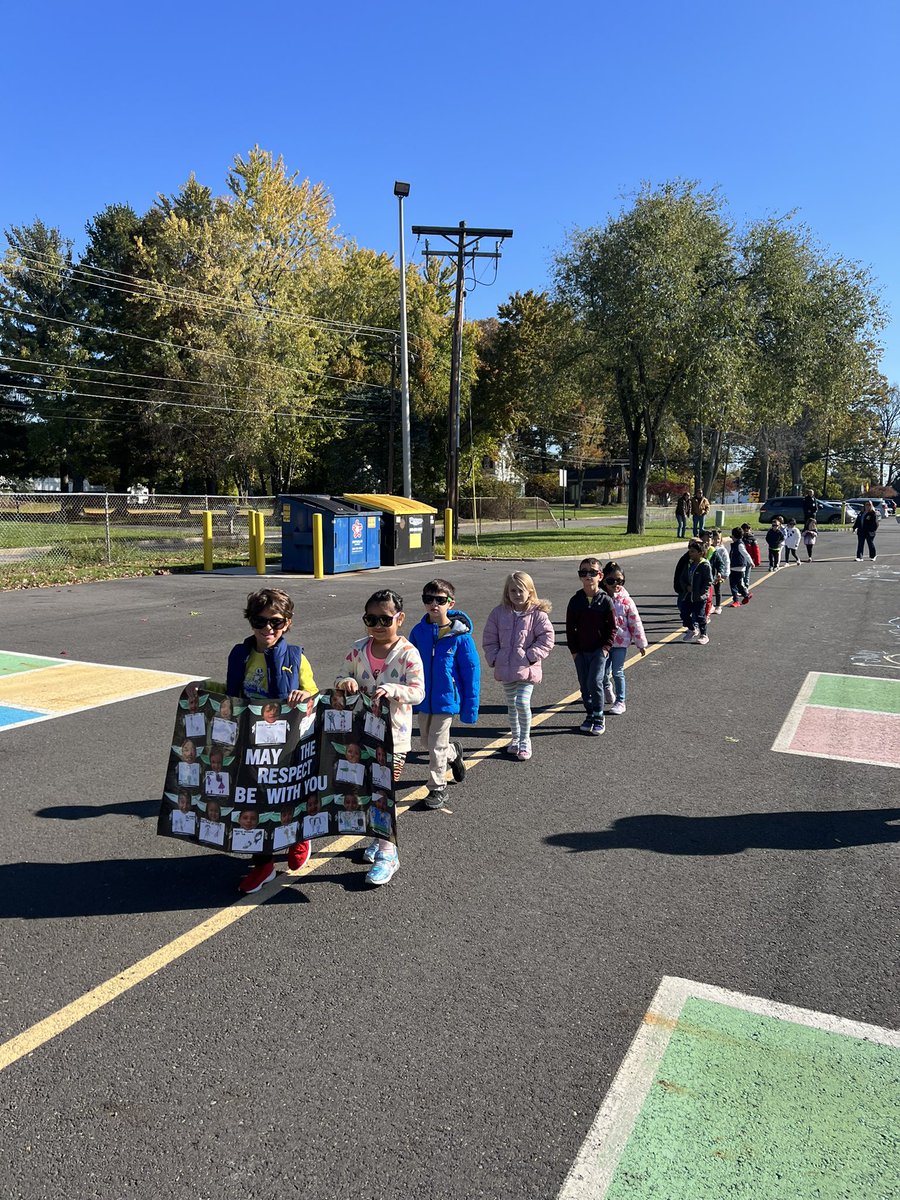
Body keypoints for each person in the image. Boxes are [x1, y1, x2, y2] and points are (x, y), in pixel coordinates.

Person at [224, 587, 317, 894]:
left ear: (287, 623)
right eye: (259, 621)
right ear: (250, 621)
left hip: (287, 744)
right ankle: (262, 863)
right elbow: (230, 693)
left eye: (275, 622)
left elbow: (314, 695)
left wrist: (306, 695)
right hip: (251, 743)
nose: (267, 629)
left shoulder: (295, 656)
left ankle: (299, 836)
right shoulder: (241, 655)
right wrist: (201, 687)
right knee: (254, 801)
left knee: (288, 796)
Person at [335, 588, 425, 884]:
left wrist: (394, 690)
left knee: (384, 793)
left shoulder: (408, 653)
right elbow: (340, 676)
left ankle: (389, 852)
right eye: (370, 619)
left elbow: (418, 691)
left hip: (393, 738)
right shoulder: (358, 648)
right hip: (361, 734)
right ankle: (377, 838)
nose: (377, 625)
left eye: (384, 619)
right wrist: (346, 681)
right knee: (366, 792)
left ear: (400, 618)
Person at [408, 578, 481, 811]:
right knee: (427, 741)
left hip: (447, 699)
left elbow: (471, 672)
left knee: (436, 744)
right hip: (423, 698)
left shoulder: (460, 636)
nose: (433, 604)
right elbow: (408, 664)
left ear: (451, 603)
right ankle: (454, 752)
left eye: (440, 600)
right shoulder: (418, 632)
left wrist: (470, 706)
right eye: (428, 599)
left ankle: (438, 787)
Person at [482, 570, 555, 760]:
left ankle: (525, 740)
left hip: (527, 668)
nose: (517, 595)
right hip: (505, 668)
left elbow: (547, 638)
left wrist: (531, 656)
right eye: (513, 591)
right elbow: (489, 639)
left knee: (521, 702)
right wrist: (495, 657)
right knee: (511, 705)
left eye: (521, 590)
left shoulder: (537, 615)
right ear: (507, 592)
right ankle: (515, 739)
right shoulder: (498, 613)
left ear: (530, 591)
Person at [566, 557, 616, 733]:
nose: (588, 575)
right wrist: (574, 651)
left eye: (592, 572)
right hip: (580, 651)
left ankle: (599, 715)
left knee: (595, 682)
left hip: (598, 651)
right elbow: (570, 629)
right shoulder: (575, 601)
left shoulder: (606, 601)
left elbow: (612, 628)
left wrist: (605, 649)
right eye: (583, 572)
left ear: (600, 576)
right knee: (584, 685)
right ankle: (589, 714)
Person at [599, 562, 647, 715]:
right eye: (611, 581)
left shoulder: (626, 601)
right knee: (602, 672)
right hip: (603, 643)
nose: (616, 585)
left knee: (618, 671)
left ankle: (621, 700)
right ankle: (607, 687)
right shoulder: (599, 599)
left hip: (620, 643)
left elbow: (635, 622)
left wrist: (641, 643)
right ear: (603, 580)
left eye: (620, 581)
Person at [674, 539, 713, 644]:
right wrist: (686, 587)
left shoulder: (705, 565)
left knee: (700, 616)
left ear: (700, 553)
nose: (690, 554)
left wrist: (700, 592)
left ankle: (704, 634)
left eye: (692, 551)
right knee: (684, 613)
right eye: (690, 551)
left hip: (699, 597)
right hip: (688, 595)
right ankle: (692, 629)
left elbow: (708, 581)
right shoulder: (689, 564)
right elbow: (682, 578)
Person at [707, 530, 730, 615]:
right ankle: (710, 606)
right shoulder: (709, 549)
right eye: (715, 538)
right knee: (709, 590)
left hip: (719, 574)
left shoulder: (722, 550)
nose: (717, 540)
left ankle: (718, 606)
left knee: (717, 590)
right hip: (711, 573)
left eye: (718, 539)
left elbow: (726, 562)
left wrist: (725, 573)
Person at [728, 527, 753, 607]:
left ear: (734, 536)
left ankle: (736, 600)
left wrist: (751, 562)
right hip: (734, 567)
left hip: (738, 566)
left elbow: (746, 554)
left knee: (734, 584)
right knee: (737, 584)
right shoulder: (736, 544)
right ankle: (745, 595)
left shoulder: (739, 545)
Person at [741, 523, 760, 592]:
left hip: (749, 560)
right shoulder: (740, 538)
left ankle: (746, 587)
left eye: (748, 528)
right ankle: (741, 587)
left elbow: (756, 551)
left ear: (750, 529)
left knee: (746, 575)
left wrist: (756, 561)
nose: (746, 530)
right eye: (744, 529)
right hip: (741, 559)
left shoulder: (752, 539)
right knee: (741, 575)